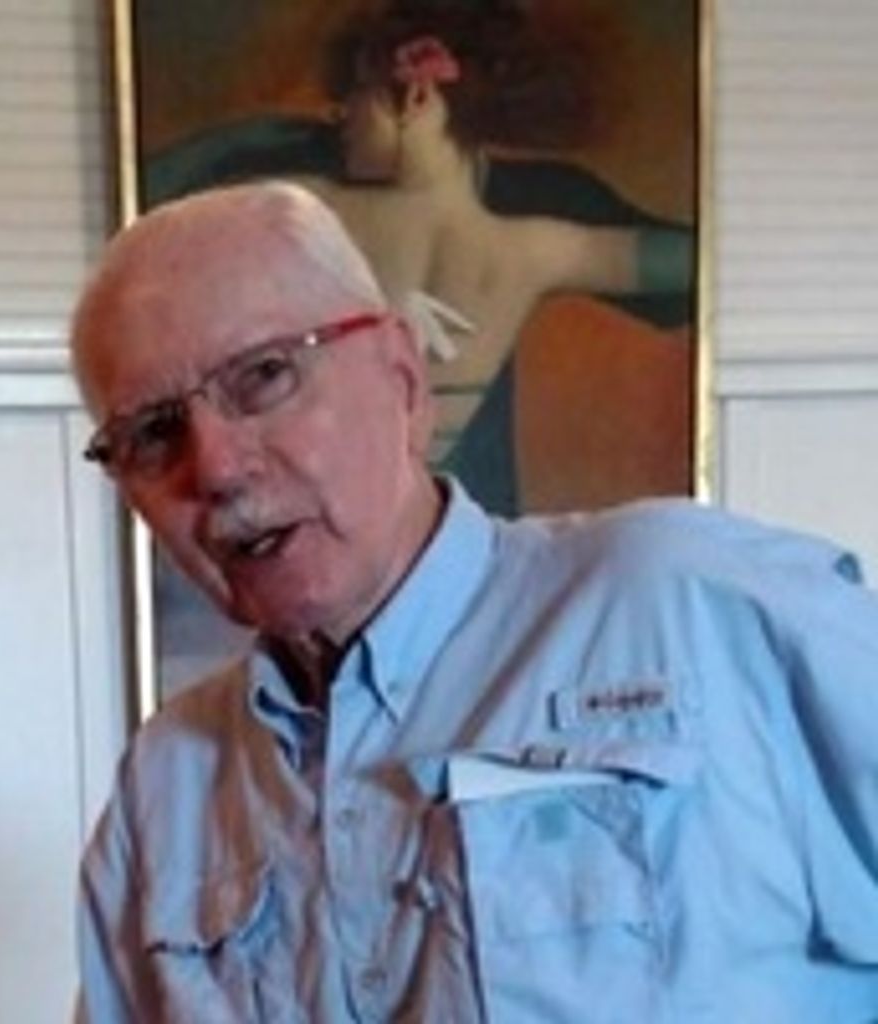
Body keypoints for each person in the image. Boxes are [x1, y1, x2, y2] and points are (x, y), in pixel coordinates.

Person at [72, 182, 878, 1022]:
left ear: (404, 379)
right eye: (153, 434)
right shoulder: (164, 785)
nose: (216, 467)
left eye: (264, 376)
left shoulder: (692, 606)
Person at [141, 0, 693, 514]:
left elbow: (161, 202)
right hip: (447, 515)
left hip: (335, 512)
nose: (339, 116)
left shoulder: (314, 210)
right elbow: (688, 262)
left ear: (416, 99)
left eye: (358, 95)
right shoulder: (534, 251)